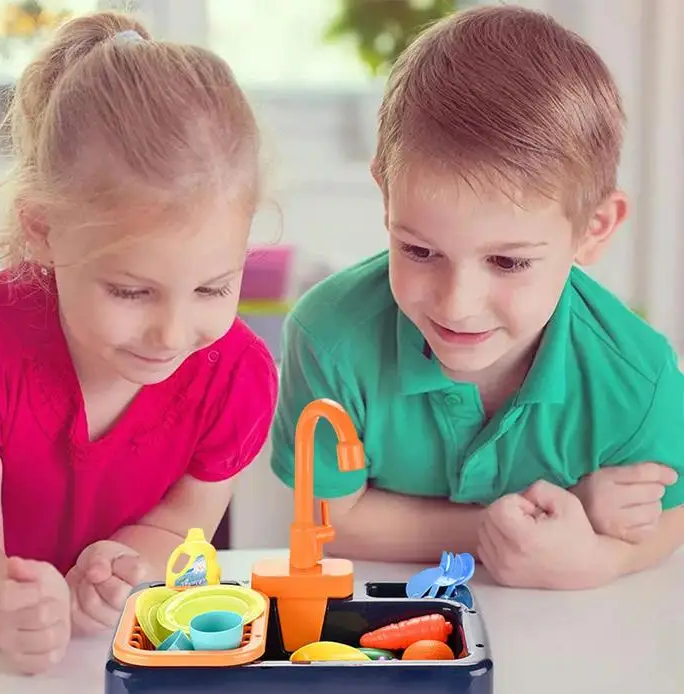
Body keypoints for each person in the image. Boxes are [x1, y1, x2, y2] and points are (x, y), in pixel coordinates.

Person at [0, 11, 278, 673]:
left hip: (72, 656)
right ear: (42, 229)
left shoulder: (238, 378)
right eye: (130, 291)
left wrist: (124, 569)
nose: (173, 334)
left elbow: (179, 526)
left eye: (213, 288)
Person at [270, 5, 684, 590]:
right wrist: (555, 514)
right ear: (386, 196)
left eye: (508, 261)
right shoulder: (329, 337)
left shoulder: (638, 377)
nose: (456, 304)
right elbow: (330, 522)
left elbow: (671, 514)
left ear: (594, 228)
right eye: (418, 251)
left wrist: (599, 561)